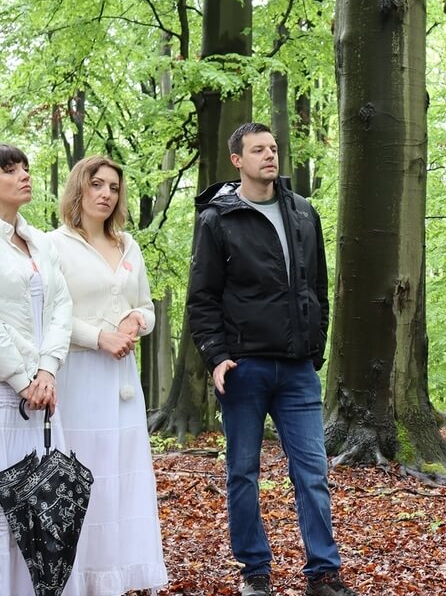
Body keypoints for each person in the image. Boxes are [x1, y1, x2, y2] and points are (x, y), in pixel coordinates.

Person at [186, 123, 356, 596]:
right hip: (244, 368)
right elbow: (202, 298)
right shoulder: (218, 219)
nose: (269, 156)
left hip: (299, 370)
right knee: (243, 471)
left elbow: (319, 285)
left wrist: (316, 345)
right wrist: (217, 356)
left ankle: (323, 572)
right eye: (258, 149)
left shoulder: (303, 213)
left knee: (313, 473)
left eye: (274, 148)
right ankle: (254, 570)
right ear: (236, 159)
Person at [49, 156, 168, 594]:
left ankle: (115, 577)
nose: (105, 194)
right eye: (96, 184)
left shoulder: (128, 244)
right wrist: (99, 336)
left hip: (123, 382)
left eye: (114, 187)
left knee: (123, 476)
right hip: (79, 376)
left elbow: (147, 306)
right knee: (84, 477)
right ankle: (77, 579)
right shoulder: (52, 245)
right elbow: (53, 317)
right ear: (78, 190)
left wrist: (135, 321)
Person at [0, 144, 73, 594]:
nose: (24, 175)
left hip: (42, 397)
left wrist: (47, 371)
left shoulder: (40, 241)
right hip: (8, 393)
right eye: (10, 170)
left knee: (42, 509)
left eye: (26, 168)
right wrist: (21, 379)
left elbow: (61, 307)